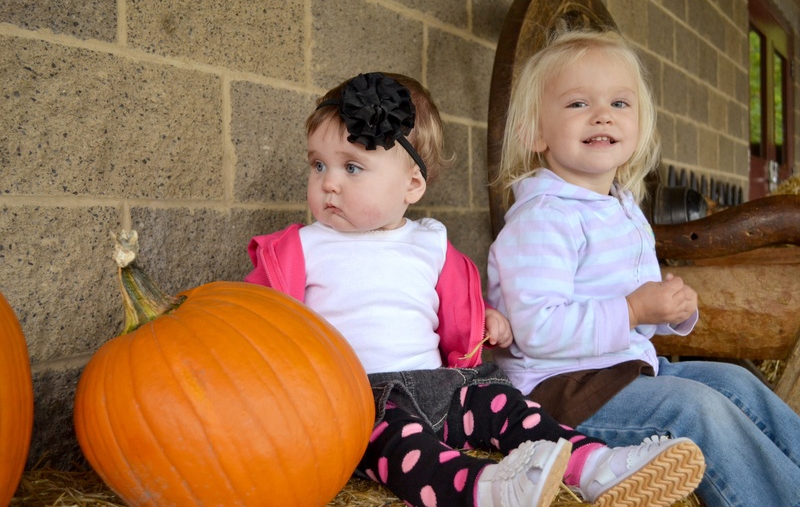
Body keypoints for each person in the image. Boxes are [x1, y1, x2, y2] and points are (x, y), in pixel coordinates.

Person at [245, 71, 704, 507]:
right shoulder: (300, 247)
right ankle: (482, 488)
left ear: (412, 184)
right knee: (403, 450)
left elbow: (456, 305)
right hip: (360, 404)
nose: (328, 182)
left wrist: (484, 317)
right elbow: (254, 320)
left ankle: (592, 465)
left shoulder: (429, 244)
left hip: (441, 389)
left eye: (352, 167)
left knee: (504, 403)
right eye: (318, 165)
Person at [487, 27, 800, 507]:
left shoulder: (622, 207)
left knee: (737, 382)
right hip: (559, 393)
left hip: (623, 370)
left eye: (619, 103)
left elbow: (636, 317)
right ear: (535, 132)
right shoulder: (543, 217)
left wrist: (668, 311)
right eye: (577, 103)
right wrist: (633, 310)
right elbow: (537, 330)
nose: (602, 114)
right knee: (694, 410)